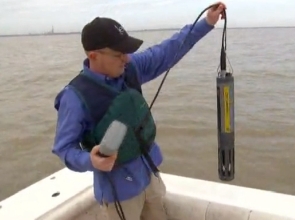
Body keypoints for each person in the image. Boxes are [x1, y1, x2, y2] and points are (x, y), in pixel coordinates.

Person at [52, 2, 226, 220]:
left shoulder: (130, 67)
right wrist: (91, 160)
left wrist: (207, 23)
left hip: (149, 176)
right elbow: (64, 148)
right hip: (119, 194)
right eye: (118, 54)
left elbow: (168, 49)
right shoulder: (74, 97)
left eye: (127, 52)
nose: (126, 58)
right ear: (94, 55)